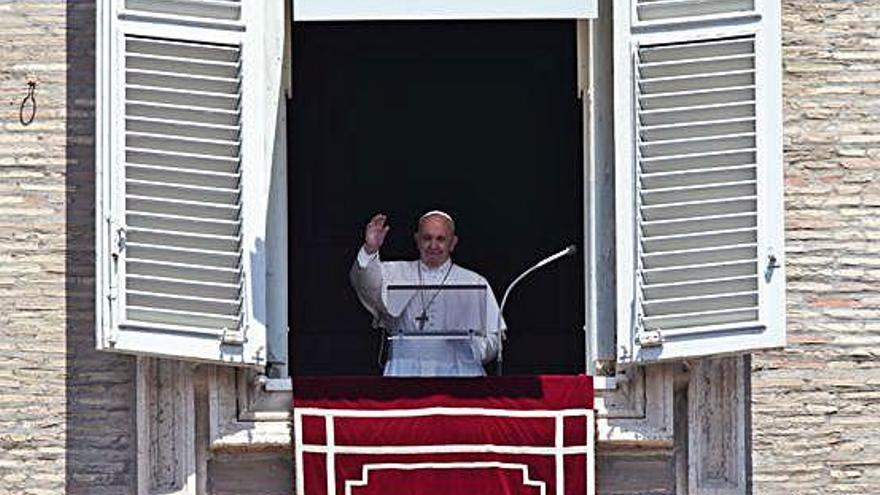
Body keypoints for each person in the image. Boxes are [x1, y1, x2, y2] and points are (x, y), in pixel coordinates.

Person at [350, 211, 504, 377]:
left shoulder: (475, 282)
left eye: (441, 239)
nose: (433, 245)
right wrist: (370, 249)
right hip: (404, 374)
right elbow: (365, 284)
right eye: (427, 238)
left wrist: (470, 341)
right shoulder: (395, 272)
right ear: (417, 240)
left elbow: (494, 341)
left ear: (452, 243)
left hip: (459, 375)